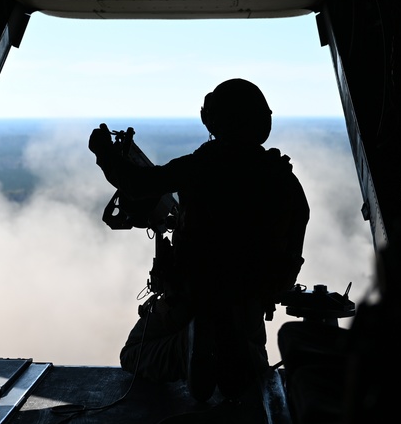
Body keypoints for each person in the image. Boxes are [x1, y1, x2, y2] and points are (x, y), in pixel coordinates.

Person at [88, 78, 310, 402]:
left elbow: (138, 184)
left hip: (194, 301)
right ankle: (227, 355)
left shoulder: (203, 166)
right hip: (248, 310)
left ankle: (187, 347)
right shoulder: (282, 177)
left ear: (214, 120)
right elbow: (294, 243)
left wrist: (105, 154)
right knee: (250, 390)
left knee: (134, 352)